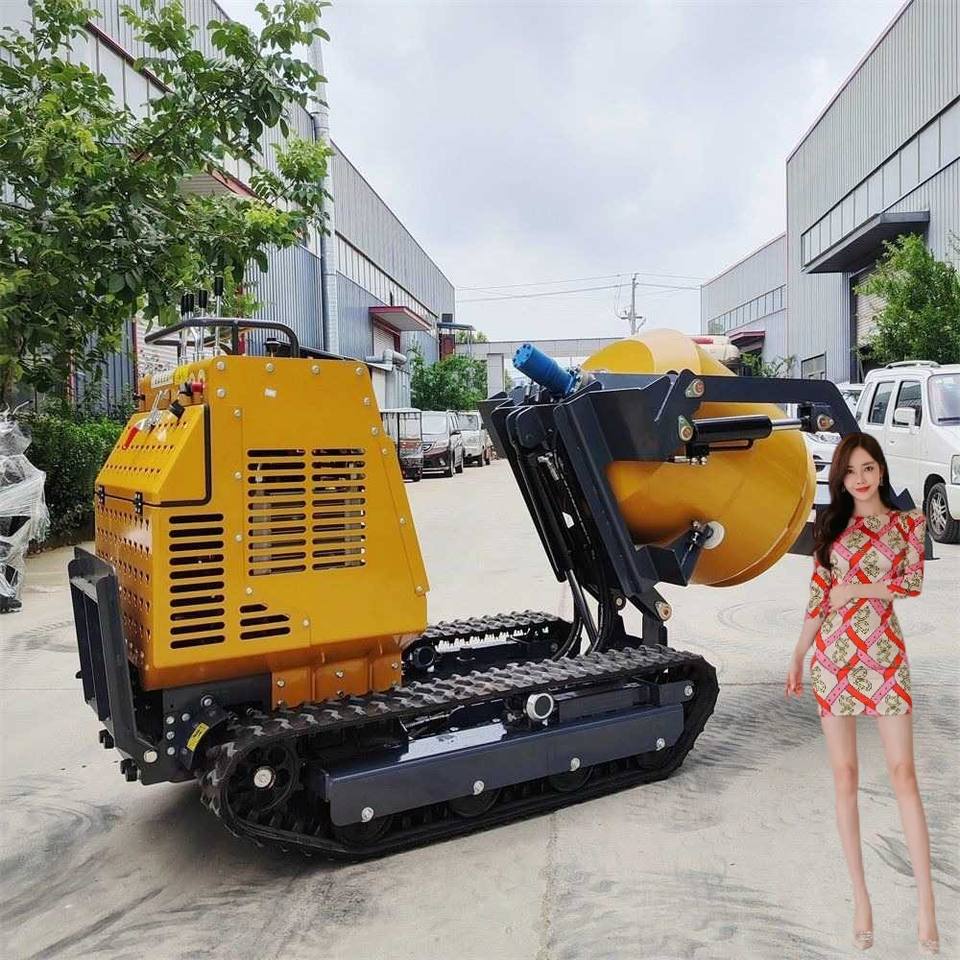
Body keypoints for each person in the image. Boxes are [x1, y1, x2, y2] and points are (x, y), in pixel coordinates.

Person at [785, 432, 939, 954]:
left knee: (903, 774)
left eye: (868, 467)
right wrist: (799, 653)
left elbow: (912, 583)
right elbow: (817, 599)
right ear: (840, 478)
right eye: (850, 471)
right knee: (845, 776)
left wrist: (859, 588)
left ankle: (926, 905)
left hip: (886, 657)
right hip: (834, 659)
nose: (860, 479)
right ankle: (861, 899)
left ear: (881, 470)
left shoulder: (906, 524)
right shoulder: (829, 528)